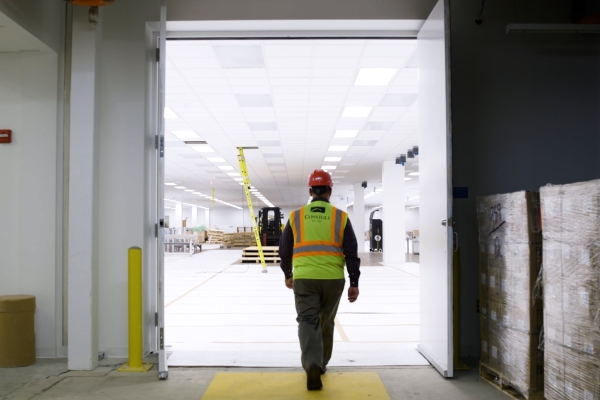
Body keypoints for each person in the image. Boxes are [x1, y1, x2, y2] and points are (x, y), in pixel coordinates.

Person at [279, 169, 361, 391]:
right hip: (334, 279)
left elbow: (284, 250)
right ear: (330, 191)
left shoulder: (295, 216)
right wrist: (354, 282)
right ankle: (322, 364)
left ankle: (312, 364)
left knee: (307, 320)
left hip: (305, 278)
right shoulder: (341, 217)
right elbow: (351, 252)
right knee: (326, 321)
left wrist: (288, 274)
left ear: (310, 191)